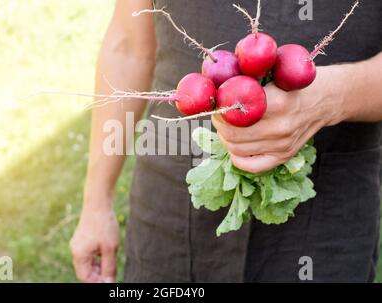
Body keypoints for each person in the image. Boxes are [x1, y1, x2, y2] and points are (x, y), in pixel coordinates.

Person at [70, 0, 382, 283]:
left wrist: (334, 97)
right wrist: (96, 202)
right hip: (172, 197)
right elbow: (128, 45)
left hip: (328, 208)